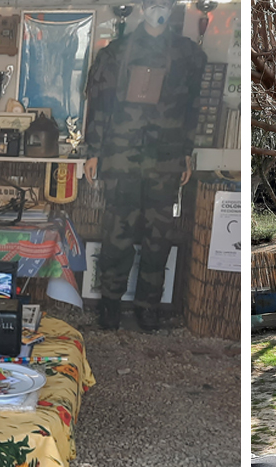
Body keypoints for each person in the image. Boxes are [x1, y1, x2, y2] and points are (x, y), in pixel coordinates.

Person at [84, 0, 206, 330]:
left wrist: (186, 154)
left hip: (165, 159)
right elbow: (100, 106)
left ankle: (147, 306)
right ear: (141, 7)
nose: (159, 9)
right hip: (122, 157)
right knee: (117, 234)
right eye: (153, 3)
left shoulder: (188, 55)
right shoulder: (115, 53)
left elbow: (192, 110)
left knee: (158, 238)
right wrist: (93, 152)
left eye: (165, 3)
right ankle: (110, 304)